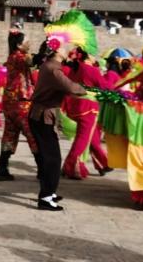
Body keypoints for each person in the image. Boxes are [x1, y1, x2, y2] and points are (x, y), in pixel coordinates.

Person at [29, 37, 86, 211]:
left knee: (49, 157)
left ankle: (49, 192)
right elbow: (70, 87)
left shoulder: (50, 66)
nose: (66, 49)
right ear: (56, 51)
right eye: (63, 47)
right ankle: (45, 198)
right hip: (42, 117)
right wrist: (86, 90)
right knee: (52, 159)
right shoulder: (53, 69)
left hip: (42, 116)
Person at [0, 30, 38, 181]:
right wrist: (46, 52)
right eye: (27, 41)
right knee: (33, 133)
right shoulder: (19, 57)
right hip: (21, 101)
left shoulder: (11, 57)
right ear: (19, 45)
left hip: (10, 102)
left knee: (10, 134)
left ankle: (2, 168)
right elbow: (31, 61)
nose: (29, 43)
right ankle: (42, 169)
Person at [62, 48, 111, 179]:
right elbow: (105, 87)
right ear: (88, 55)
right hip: (88, 108)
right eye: (93, 54)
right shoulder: (91, 70)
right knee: (83, 139)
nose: (95, 57)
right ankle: (70, 166)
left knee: (90, 136)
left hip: (75, 106)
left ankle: (104, 163)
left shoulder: (75, 69)